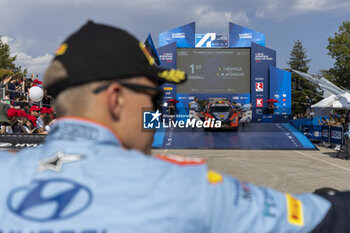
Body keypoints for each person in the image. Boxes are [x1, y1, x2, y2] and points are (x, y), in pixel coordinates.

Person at [1, 21, 350, 233]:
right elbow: (328, 220)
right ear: (116, 99)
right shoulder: (184, 187)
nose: (155, 103)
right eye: (151, 94)